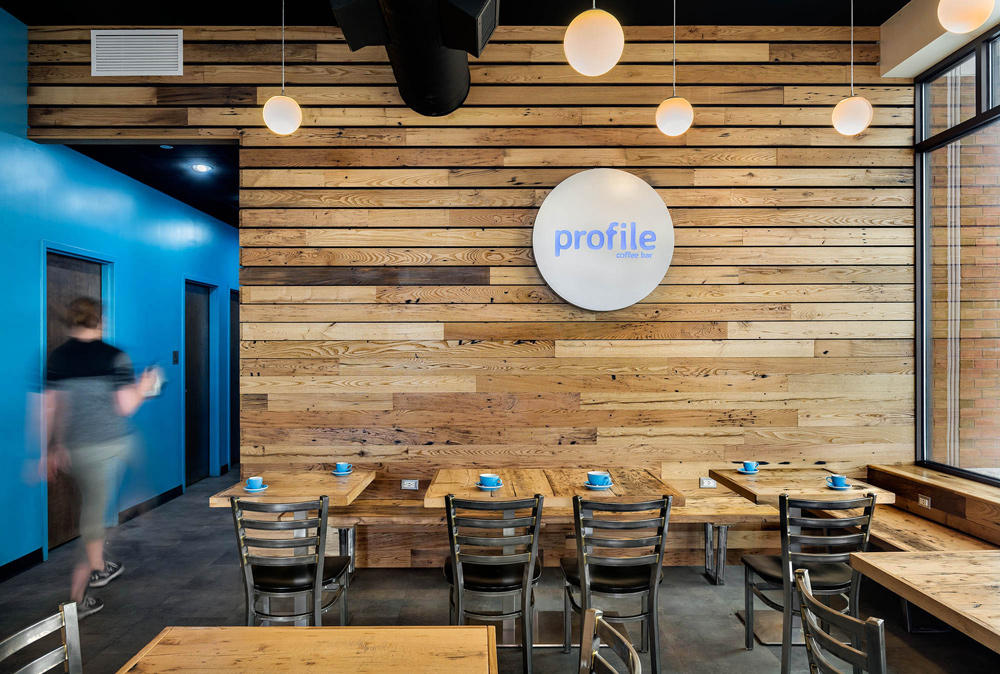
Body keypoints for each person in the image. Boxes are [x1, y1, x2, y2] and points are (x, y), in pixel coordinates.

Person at [44, 297, 161, 618]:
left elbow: (50, 407)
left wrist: (51, 447)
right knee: (94, 521)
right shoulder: (113, 356)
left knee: (122, 475)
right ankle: (77, 599)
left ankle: (102, 558)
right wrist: (144, 386)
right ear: (100, 321)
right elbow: (125, 407)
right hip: (107, 446)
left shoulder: (58, 357)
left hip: (76, 449)